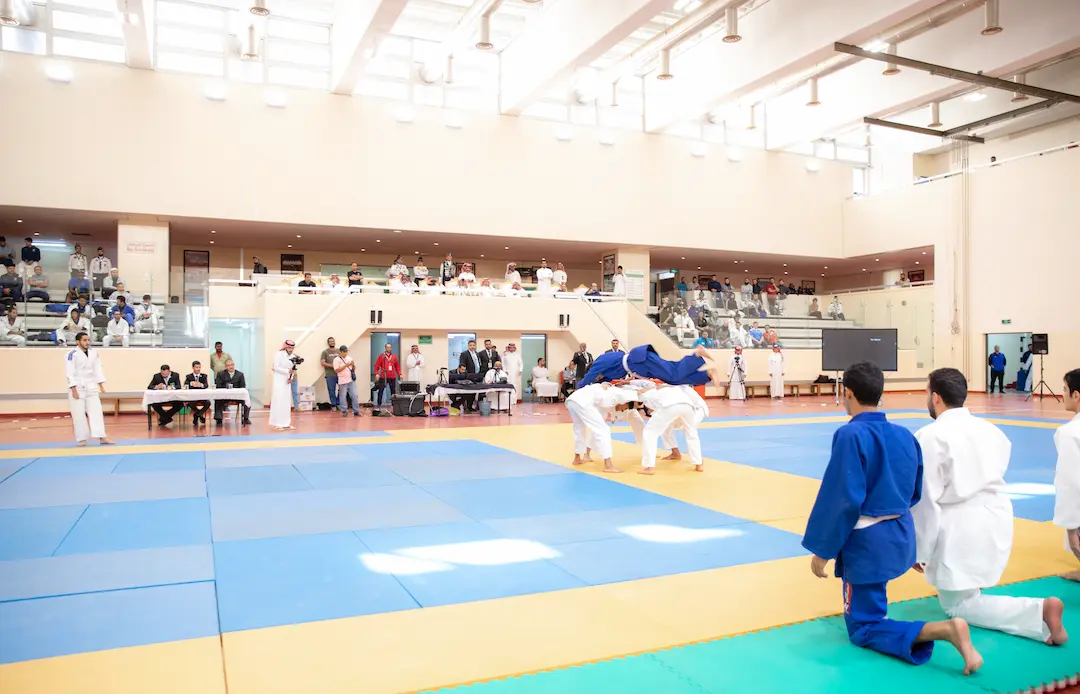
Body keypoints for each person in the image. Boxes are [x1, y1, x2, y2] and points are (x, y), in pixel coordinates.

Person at [802, 361, 982, 675]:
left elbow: (842, 498)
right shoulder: (904, 435)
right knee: (872, 600)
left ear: (848, 393)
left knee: (862, 627)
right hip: (899, 535)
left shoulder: (850, 435)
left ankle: (943, 630)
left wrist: (823, 549)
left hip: (867, 545)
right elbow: (915, 491)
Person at [913, 368, 1066, 644]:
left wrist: (918, 549)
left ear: (935, 397)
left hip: (958, 525)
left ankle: (1040, 611)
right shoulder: (992, 431)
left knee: (957, 607)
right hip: (995, 517)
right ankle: (1038, 615)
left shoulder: (930, 436)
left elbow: (926, 500)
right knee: (967, 589)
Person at [579, 344, 723, 389]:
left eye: (598, 376)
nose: (599, 377)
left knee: (673, 373)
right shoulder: (606, 374)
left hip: (640, 360)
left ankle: (696, 354)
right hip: (641, 366)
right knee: (673, 380)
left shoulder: (600, 361)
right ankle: (706, 374)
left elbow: (590, 376)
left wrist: (578, 390)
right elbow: (601, 382)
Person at [566, 383, 637, 473]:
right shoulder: (617, 393)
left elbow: (602, 416)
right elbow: (631, 394)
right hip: (583, 402)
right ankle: (608, 465)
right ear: (624, 402)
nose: (622, 410)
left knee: (579, 428)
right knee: (603, 430)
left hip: (572, 400)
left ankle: (577, 458)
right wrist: (639, 393)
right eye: (624, 408)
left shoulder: (606, 393)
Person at [639, 384, 708, 474]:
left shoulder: (648, 394)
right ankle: (698, 464)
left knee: (649, 432)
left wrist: (639, 392)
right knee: (691, 434)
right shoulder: (673, 388)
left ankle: (649, 467)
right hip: (688, 407)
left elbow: (639, 395)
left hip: (672, 406)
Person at [65, 332, 114, 447]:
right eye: (84, 340)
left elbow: (97, 370)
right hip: (78, 386)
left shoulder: (94, 353)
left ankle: (102, 437)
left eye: (88, 340)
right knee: (78, 414)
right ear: (78, 342)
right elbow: (69, 373)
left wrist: (101, 386)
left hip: (91, 385)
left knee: (97, 412)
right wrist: (74, 390)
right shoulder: (71, 354)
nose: (87, 342)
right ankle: (82, 438)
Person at [1054, 368, 1080, 582]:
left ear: (1076, 395)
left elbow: (1070, 482)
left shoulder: (1070, 433)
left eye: (1064, 389)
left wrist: (1070, 526)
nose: (1063, 395)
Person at [214, 359, 250, 425]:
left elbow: (243, 386)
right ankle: (219, 419)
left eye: (232, 365)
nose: (231, 367)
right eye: (228, 365)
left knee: (246, 399)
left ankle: (245, 418)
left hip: (237, 396)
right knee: (217, 399)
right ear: (225, 367)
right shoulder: (220, 374)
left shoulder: (240, 374)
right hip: (224, 396)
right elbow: (218, 385)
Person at [270, 341, 296, 430]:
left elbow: (293, 369)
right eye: (289, 348)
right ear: (285, 347)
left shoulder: (293, 356)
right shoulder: (279, 354)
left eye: (292, 348)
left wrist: (291, 378)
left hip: (287, 381)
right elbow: (275, 367)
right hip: (279, 380)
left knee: (287, 402)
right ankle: (277, 423)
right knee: (279, 400)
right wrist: (287, 371)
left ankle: (286, 423)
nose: (291, 350)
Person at [334, 345, 360, 417]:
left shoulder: (349, 358)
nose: (345, 353)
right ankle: (344, 411)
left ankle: (356, 411)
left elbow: (353, 369)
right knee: (343, 397)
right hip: (342, 381)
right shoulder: (336, 360)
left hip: (351, 380)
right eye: (344, 352)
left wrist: (353, 365)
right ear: (340, 352)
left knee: (354, 395)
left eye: (346, 352)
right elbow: (337, 370)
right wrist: (346, 365)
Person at [374, 342, 400, 408]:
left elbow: (397, 366)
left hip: (392, 376)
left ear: (391, 348)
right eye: (387, 347)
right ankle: (379, 404)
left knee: (393, 391)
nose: (388, 348)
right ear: (385, 348)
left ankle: (393, 405)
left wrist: (400, 374)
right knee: (381, 390)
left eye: (390, 347)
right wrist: (376, 374)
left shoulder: (394, 356)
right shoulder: (381, 356)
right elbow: (376, 365)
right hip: (383, 376)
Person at [185, 361, 212, 425]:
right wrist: (192, 383)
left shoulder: (204, 376)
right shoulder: (189, 376)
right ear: (193, 368)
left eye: (199, 367)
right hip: (193, 396)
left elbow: (206, 385)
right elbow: (186, 385)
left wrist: (201, 385)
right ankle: (200, 415)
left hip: (202, 396)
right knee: (190, 403)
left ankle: (197, 415)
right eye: (196, 367)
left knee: (208, 403)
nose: (198, 369)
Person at [320, 337, 340, 410]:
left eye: (333, 341)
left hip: (340, 374)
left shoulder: (338, 351)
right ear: (328, 343)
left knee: (343, 389)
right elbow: (323, 363)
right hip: (330, 374)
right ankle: (334, 404)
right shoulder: (325, 352)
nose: (332, 342)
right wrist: (333, 366)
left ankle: (338, 402)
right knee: (331, 390)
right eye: (330, 341)